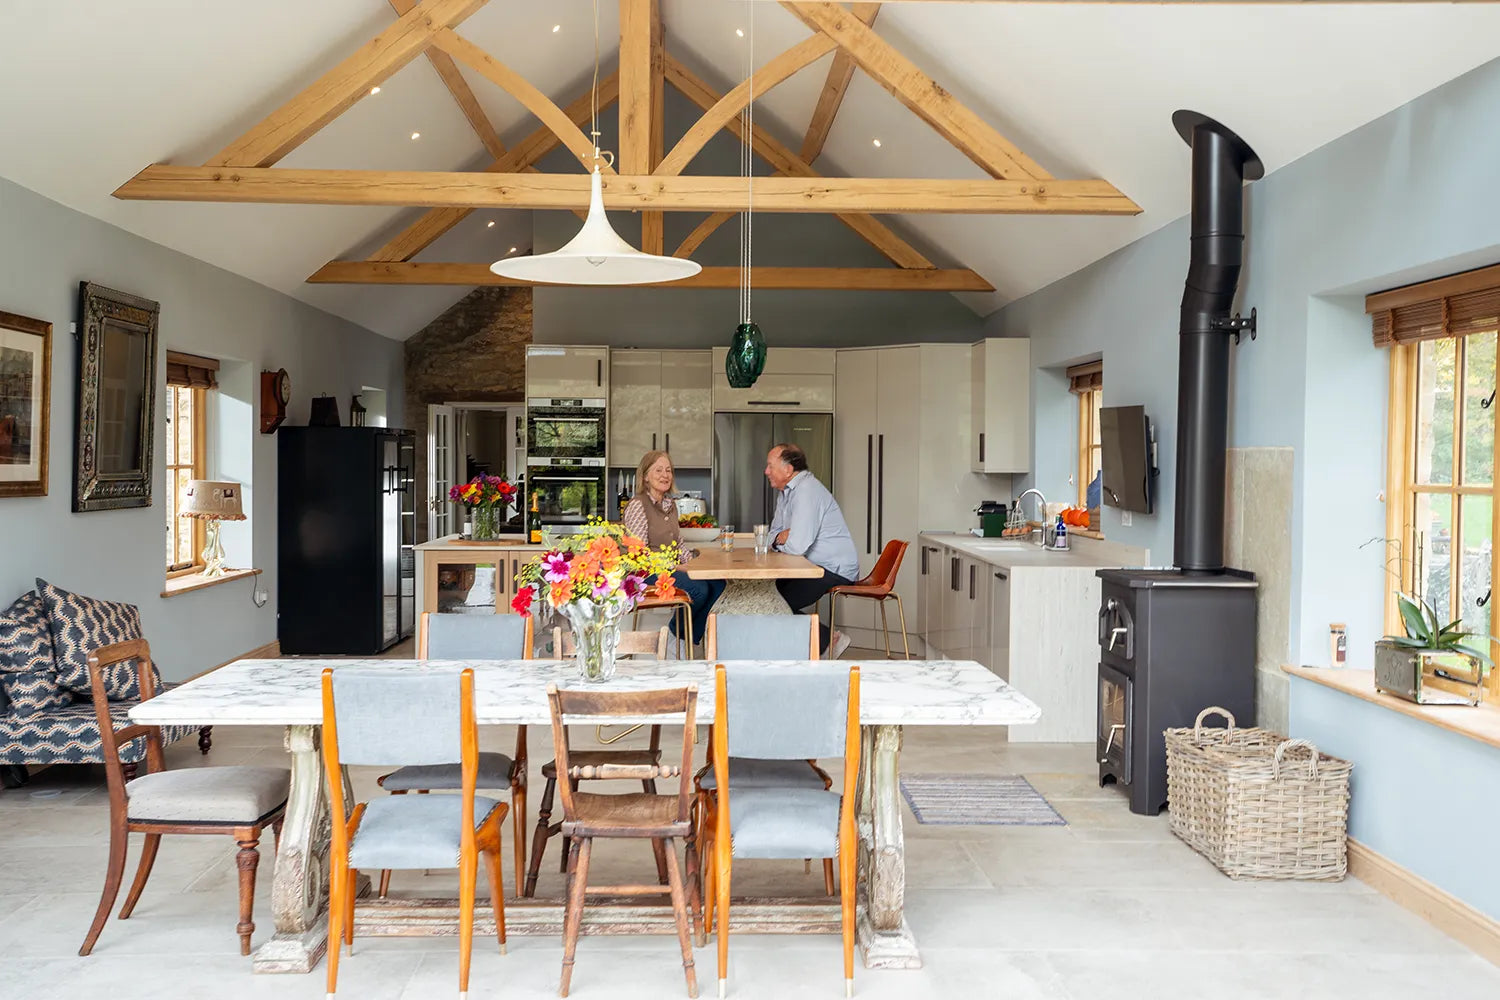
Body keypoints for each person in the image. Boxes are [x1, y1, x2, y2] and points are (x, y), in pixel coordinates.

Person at [764, 443, 859, 657]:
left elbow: (797, 547)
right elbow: (772, 535)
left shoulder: (806, 491)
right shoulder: (786, 493)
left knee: (771, 602)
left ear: (788, 470)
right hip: (808, 567)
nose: (766, 471)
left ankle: (827, 640)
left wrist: (780, 540)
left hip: (832, 569)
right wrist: (781, 537)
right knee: (763, 595)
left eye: (770, 466)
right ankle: (819, 641)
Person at [622, 449, 724, 647]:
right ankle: (674, 636)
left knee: (718, 584)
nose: (665, 475)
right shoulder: (638, 505)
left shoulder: (670, 504)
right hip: (645, 572)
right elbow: (639, 554)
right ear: (645, 477)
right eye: (658, 470)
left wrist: (693, 565)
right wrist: (677, 568)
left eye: (668, 470)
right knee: (699, 589)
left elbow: (678, 543)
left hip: (669, 569)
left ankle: (687, 641)